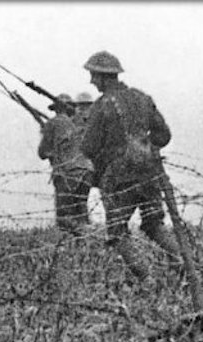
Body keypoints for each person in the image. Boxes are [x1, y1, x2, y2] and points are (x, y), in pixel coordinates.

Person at [81, 50, 181, 282]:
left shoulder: (101, 106)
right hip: (149, 173)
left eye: (94, 76)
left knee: (116, 233)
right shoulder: (143, 98)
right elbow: (163, 135)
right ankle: (184, 266)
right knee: (154, 224)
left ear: (104, 77)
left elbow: (88, 147)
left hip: (117, 179)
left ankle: (147, 279)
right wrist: (143, 146)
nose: (91, 81)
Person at [37, 93, 94, 234]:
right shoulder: (78, 125)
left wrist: (45, 133)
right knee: (81, 212)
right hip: (87, 171)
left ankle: (83, 235)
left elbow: (42, 152)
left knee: (64, 218)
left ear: (56, 109)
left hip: (67, 172)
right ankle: (86, 240)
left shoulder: (54, 123)